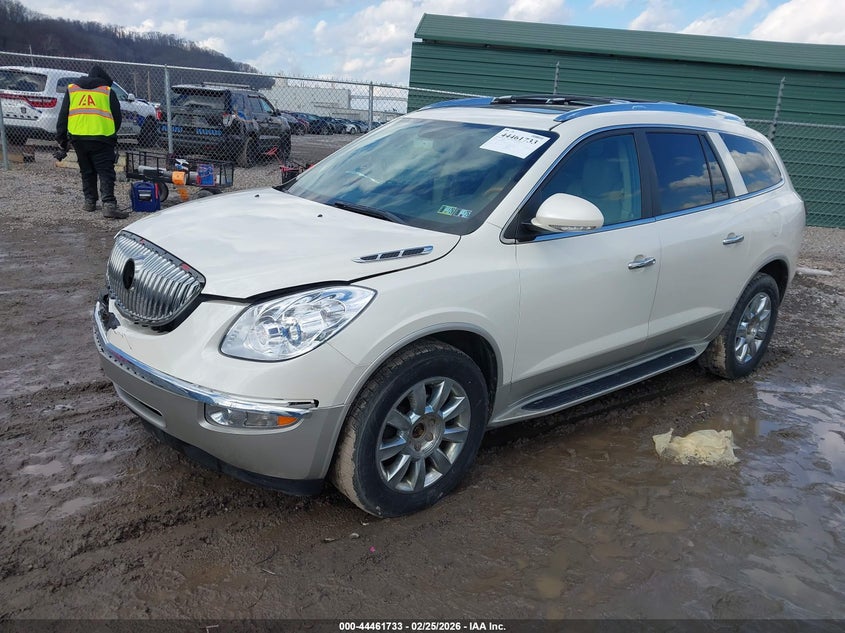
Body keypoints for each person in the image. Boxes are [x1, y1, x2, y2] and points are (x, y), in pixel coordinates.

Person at [56, 65, 129, 219]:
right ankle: (108, 204)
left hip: (78, 138)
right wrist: (110, 133)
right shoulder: (107, 91)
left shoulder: (72, 90)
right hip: (102, 138)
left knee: (86, 170)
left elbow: (63, 115)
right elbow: (117, 117)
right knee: (105, 171)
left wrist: (62, 139)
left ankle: (89, 202)